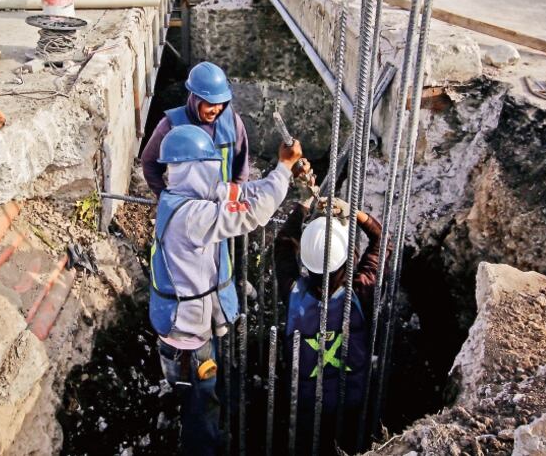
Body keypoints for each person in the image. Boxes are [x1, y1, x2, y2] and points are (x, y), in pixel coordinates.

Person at [150, 125, 303, 456]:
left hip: (184, 330)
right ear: (195, 168)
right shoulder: (192, 215)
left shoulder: (179, 196)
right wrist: (284, 168)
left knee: (204, 398)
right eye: (208, 166)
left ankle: (213, 429)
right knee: (200, 409)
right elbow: (251, 213)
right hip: (188, 342)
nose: (213, 175)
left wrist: (280, 176)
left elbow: (239, 193)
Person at [275, 197, 384, 455]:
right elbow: (382, 241)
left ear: (305, 260)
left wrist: (303, 206)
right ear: (347, 257)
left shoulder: (293, 293)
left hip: (305, 402)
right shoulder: (361, 289)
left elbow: (281, 245)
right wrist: (357, 215)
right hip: (354, 401)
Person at [140, 61, 250, 197]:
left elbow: (241, 166)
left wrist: (233, 198)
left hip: (221, 206)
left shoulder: (232, 122)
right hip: (189, 209)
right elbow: (149, 162)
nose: (216, 110)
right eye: (210, 104)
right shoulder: (171, 126)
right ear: (196, 99)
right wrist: (164, 196)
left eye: (220, 103)